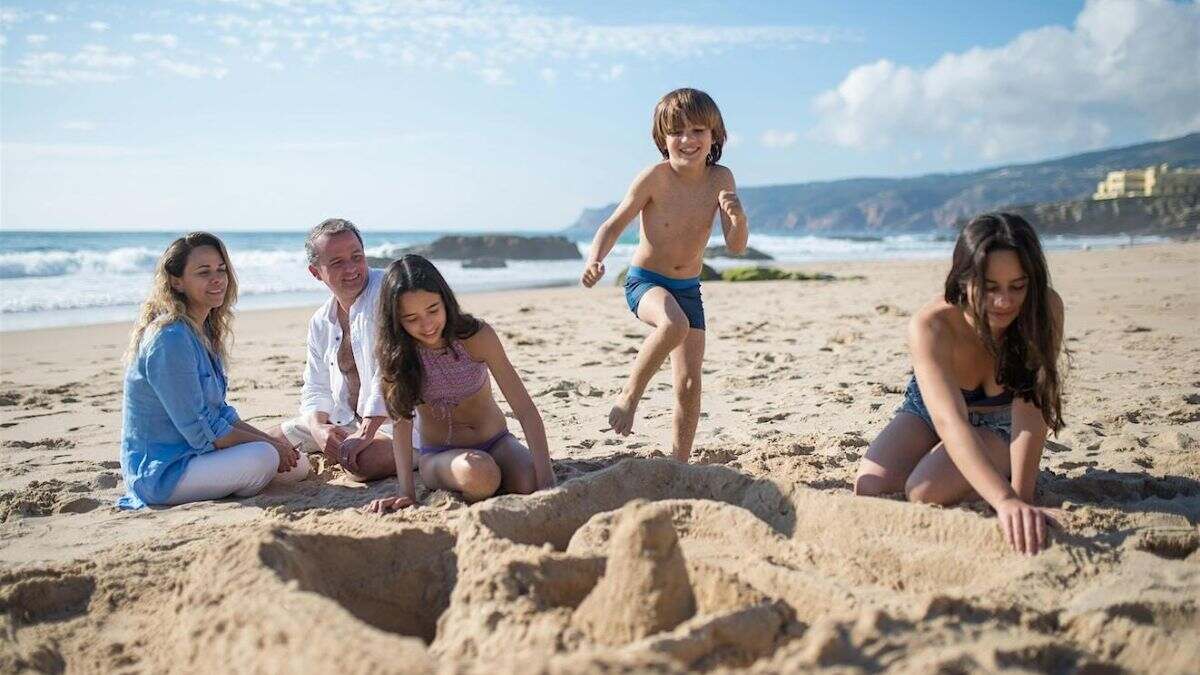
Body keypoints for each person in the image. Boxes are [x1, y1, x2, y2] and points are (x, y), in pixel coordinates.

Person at [854, 213, 1066, 555]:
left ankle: (995, 469)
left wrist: (1016, 500)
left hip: (1002, 422)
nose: (1004, 302)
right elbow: (949, 421)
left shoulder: (1045, 309)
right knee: (872, 487)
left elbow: (1030, 407)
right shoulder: (932, 324)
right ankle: (980, 473)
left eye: (1018, 286)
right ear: (964, 279)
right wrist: (1004, 498)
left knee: (924, 492)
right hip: (931, 410)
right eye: (990, 287)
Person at [580, 87, 749, 462]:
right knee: (673, 324)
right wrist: (595, 258)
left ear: (714, 136)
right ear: (662, 138)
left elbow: (736, 245)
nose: (687, 140)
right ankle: (629, 396)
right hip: (646, 282)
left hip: (688, 287)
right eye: (677, 132)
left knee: (689, 383)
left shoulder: (721, 179)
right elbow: (613, 224)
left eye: (697, 131)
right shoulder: (654, 178)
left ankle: (679, 464)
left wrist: (738, 217)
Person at [119, 232, 307, 509]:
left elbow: (221, 414)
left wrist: (276, 443)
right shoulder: (169, 339)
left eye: (221, 270)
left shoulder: (203, 330)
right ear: (176, 281)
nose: (217, 279)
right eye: (203, 272)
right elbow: (205, 431)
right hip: (164, 473)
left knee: (298, 463)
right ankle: (243, 479)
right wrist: (272, 447)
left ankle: (245, 476)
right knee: (264, 457)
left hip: (200, 456)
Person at [364, 255, 555, 512]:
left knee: (529, 481)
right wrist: (406, 492)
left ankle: (495, 481)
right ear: (397, 320)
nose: (427, 324)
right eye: (412, 318)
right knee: (480, 473)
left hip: (497, 441)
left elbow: (525, 409)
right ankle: (481, 482)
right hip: (440, 456)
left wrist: (547, 479)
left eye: (433, 309)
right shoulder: (398, 355)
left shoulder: (477, 336)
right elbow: (402, 425)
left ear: (445, 299)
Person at [270, 218, 397, 481]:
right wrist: (318, 427)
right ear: (316, 272)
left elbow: (390, 371)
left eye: (356, 257)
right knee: (266, 444)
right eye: (337, 262)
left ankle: (415, 455)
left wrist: (365, 434)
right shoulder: (321, 320)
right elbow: (315, 385)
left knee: (361, 463)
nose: (351, 268)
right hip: (346, 420)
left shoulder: (389, 294)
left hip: (398, 424)